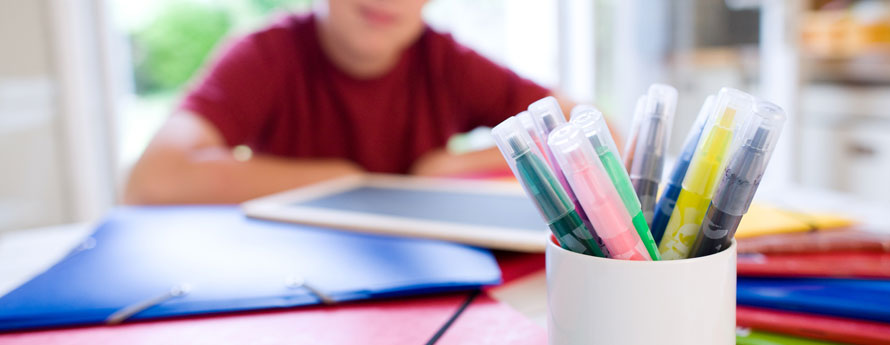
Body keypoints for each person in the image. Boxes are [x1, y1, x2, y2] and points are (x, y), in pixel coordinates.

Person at [124, 0, 583, 204]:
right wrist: (342, 180)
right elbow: (152, 180)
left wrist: (448, 169)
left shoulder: (445, 61)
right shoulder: (265, 54)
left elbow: (586, 127)